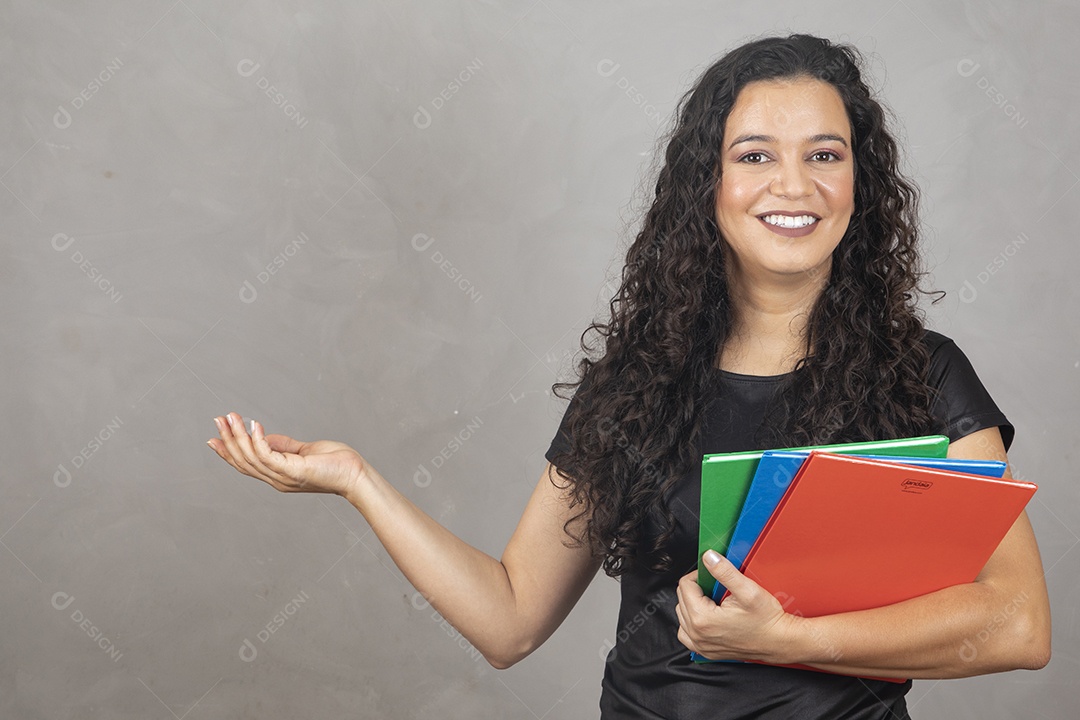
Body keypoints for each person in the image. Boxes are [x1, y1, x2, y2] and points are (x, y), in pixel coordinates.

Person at [207, 33, 1051, 719]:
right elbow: (509, 621)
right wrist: (358, 480)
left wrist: (793, 639)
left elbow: (1018, 625)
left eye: (825, 154)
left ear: (858, 185)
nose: (793, 185)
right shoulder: (636, 383)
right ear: (708, 186)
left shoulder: (923, 375)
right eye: (754, 155)